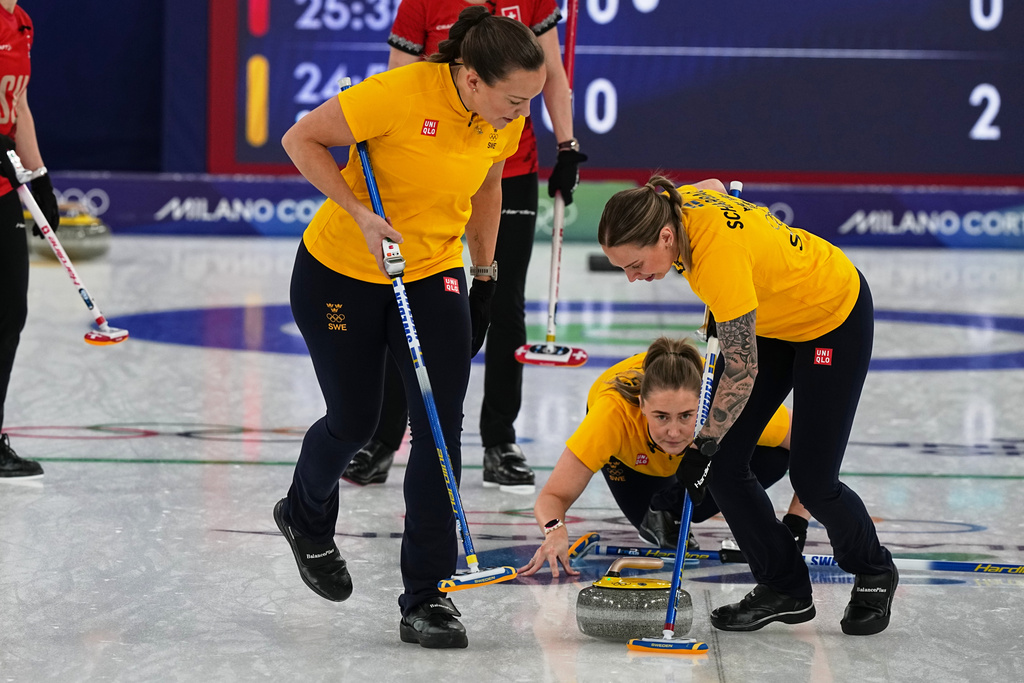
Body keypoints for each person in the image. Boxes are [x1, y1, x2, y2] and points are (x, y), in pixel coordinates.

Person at [273, 7, 545, 650]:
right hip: (341, 270)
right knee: (355, 421)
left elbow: (486, 188)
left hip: (430, 273)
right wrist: (357, 212)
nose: (521, 112)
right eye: (514, 98)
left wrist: (486, 276)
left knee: (438, 431)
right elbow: (300, 140)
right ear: (472, 79)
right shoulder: (397, 94)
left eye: (530, 99)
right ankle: (304, 515)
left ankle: (427, 597)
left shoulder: (505, 116)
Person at [597, 176, 896, 636]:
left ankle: (874, 570)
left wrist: (704, 442)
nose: (633, 277)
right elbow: (714, 184)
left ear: (664, 237)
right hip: (772, 317)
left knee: (813, 482)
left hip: (831, 316)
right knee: (724, 468)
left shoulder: (717, 262)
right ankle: (784, 587)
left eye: (635, 264)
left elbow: (741, 371)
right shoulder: (672, 202)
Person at [342, 0, 584, 494]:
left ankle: (500, 442)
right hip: (435, 171)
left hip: (507, 168)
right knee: (407, 295)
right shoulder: (422, 5)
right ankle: (385, 440)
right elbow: (397, 84)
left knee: (503, 301)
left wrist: (567, 145)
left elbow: (552, 72)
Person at [518, 336, 809, 578]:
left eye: (686, 416)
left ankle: (672, 502)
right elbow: (553, 495)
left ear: (705, 405)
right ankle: (664, 507)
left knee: (774, 458)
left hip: (700, 455)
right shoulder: (611, 417)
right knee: (650, 519)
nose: (673, 432)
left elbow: (813, 446)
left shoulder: (725, 407)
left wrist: (796, 523)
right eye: (661, 416)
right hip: (634, 463)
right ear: (642, 405)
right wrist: (554, 531)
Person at [0, 0, 60, 481]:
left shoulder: (21, 21)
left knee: (8, 313)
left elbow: (17, 103)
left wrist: (39, 177)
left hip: (2, 189)